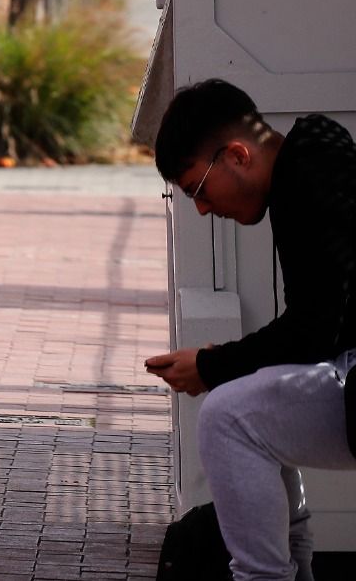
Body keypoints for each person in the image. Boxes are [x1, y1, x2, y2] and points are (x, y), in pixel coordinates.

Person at [145, 78, 356, 581]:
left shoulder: (309, 176)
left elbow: (313, 332)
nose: (200, 208)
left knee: (227, 414)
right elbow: (319, 327)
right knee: (246, 401)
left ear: (237, 155)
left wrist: (212, 365)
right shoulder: (315, 157)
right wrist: (224, 362)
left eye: (197, 188)